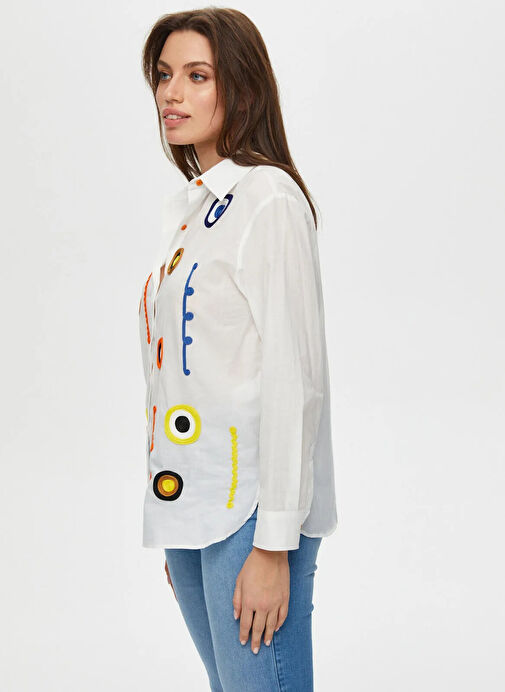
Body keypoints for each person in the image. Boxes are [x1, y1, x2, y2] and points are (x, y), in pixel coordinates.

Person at [138, 8, 338, 691]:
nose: (171, 93)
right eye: (164, 75)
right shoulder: (193, 212)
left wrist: (273, 545)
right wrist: (179, 520)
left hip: (251, 515)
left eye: (198, 76)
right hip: (195, 513)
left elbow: (292, 379)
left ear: (242, 89)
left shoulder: (268, 199)